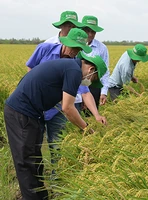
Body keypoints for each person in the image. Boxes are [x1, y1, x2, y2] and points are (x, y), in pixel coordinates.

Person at [4, 52, 107, 200]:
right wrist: (86, 128)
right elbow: (68, 108)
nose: (89, 83)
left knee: (35, 159)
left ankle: (41, 196)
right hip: (20, 113)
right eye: (93, 80)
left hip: (31, 114)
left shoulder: (70, 67)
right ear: (91, 70)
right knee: (26, 162)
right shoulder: (74, 71)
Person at [27, 28, 107, 166]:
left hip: (57, 109)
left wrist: (96, 115)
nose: (74, 51)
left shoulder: (75, 66)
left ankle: (55, 178)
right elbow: (31, 72)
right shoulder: (44, 49)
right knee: (33, 144)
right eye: (73, 47)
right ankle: (36, 178)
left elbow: (85, 92)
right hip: (37, 106)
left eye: (78, 49)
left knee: (56, 144)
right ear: (65, 41)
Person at [80, 15, 110, 115]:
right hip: (75, 84)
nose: (90, 34)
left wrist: (104, 91)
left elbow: (104, 71)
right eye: (87, 31)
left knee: (90, 115)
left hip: (93, 86)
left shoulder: (101, 48)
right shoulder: (74, 45)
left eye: (93, 32)